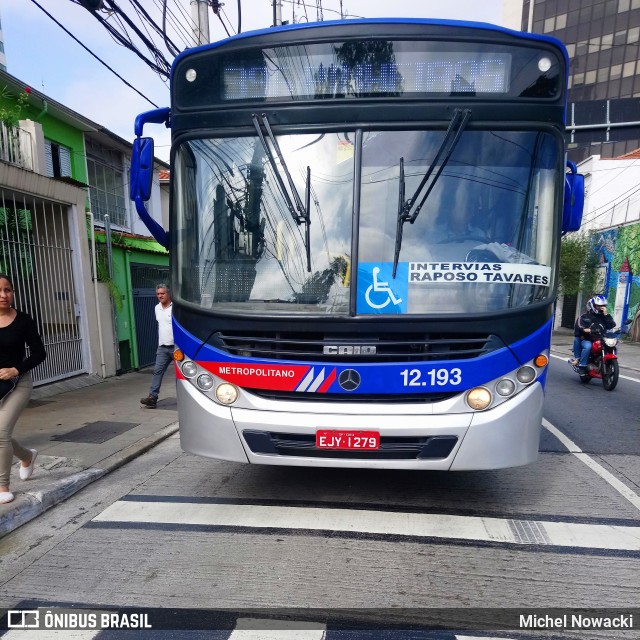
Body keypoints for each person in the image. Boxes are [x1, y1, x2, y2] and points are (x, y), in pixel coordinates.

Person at [0, 273, 46, 505]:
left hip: (19, 382)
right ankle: (27, 457)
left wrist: (15, 370)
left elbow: (40, 353)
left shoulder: (24, 320)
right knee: (1, 434)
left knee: (1, 432)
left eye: (8, 290)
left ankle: (2, 486)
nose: (3, 295)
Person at [140, 284, 174, 409]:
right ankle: (152, 398)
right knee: (157, 371)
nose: (160, 296)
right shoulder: (156, 308)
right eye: (158, 294)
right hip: (163, 347)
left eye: (162, 293)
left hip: (177, 347)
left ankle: (188, 398)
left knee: (184, 374)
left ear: (168, 294)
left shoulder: (175, 308)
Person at [572, 295, 615, 373]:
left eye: (603, 306)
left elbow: (611, 325)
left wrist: (606, 315)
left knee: (612, 346)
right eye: (598, 306)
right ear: (593, 305)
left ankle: (609, 365)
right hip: (588, 339)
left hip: (601, 339)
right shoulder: (584, 316)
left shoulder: (604, 317)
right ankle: (582, 365)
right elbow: (579, 326)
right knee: (588, 346)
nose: (601, 307)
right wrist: (585, 330)